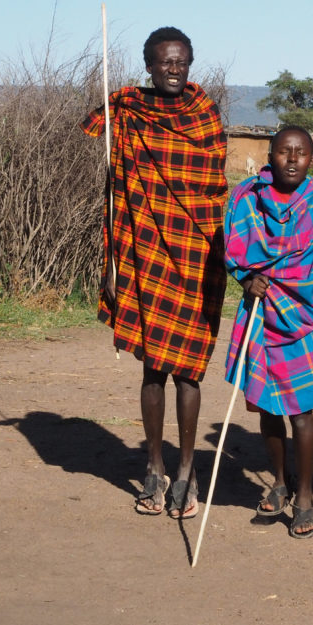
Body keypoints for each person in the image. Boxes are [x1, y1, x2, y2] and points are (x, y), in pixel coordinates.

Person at [80, 27, 227, 519]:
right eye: (165, 62)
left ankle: (187, 471)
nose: (174, 69)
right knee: (152, 367)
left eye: (182, 61)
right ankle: (155, 467)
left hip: (196, 255)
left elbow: (214, 187)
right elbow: (110, 182)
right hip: (144, 252)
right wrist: (113, 264)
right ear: (148, 65)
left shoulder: (204, 116)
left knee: (188, 370)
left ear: (190, 63)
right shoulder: (130, 111)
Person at [223, 126, 313, 539]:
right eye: (283, 152)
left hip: (309, 317)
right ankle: (279, 481)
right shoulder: (247, 199)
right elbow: (235, 254)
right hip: (263, 314)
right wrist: (247, 281)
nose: (292, 160)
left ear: (312, 158)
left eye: (300, 153)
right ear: (270, 155)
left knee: (302, 411)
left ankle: (307, 496)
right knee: (265, 406)